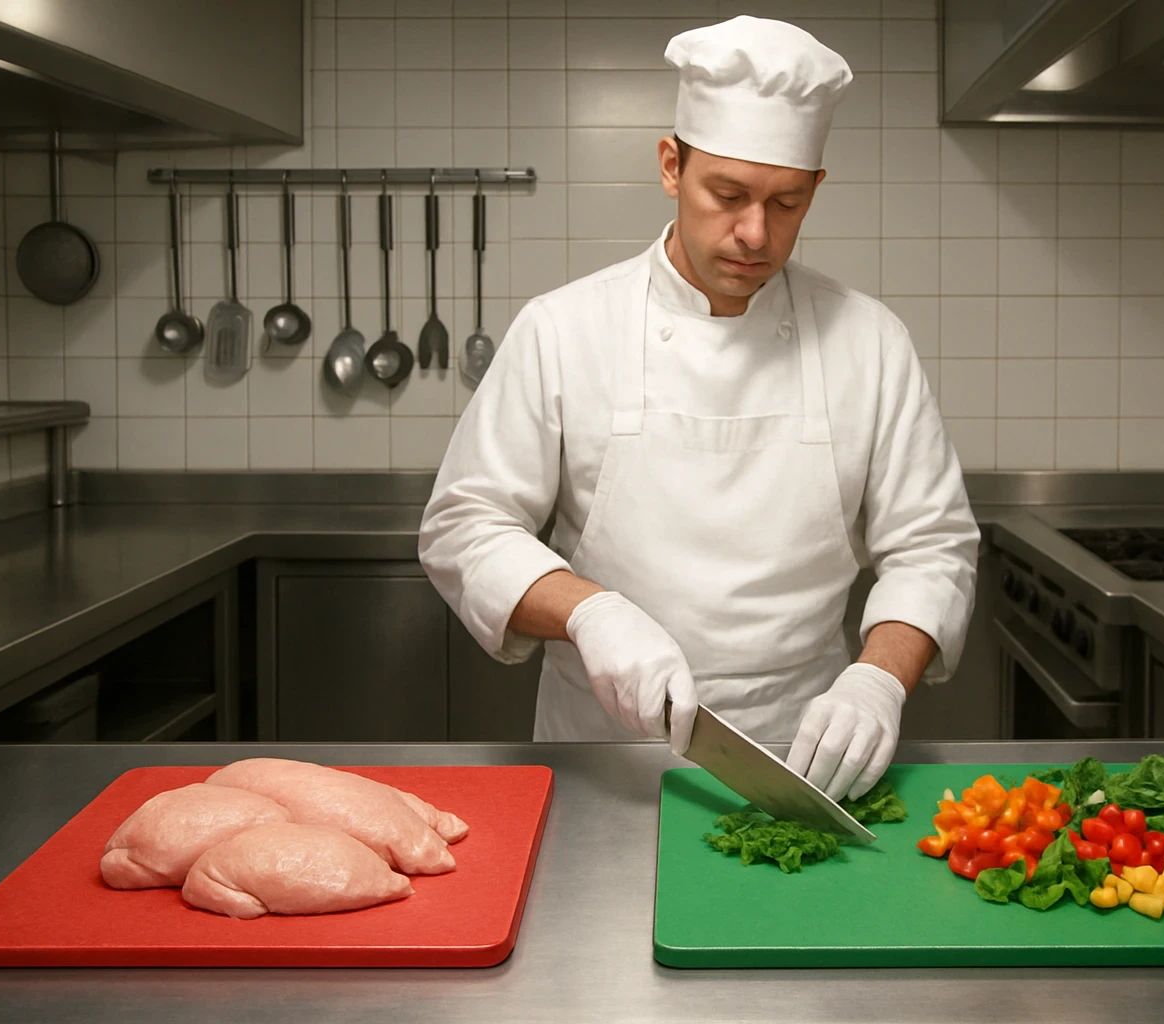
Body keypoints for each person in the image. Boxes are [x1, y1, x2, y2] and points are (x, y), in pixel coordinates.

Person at [420, 15, 979, 802]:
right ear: (670, 166)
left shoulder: (870, 341)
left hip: (807, 766)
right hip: (603, 761)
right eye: (728, 194)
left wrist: (878, 682)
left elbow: (931, 547)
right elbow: (464, 526)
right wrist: (592, 613)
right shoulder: (565, 328)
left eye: (786, 203)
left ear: (816, 190)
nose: (754, 233)